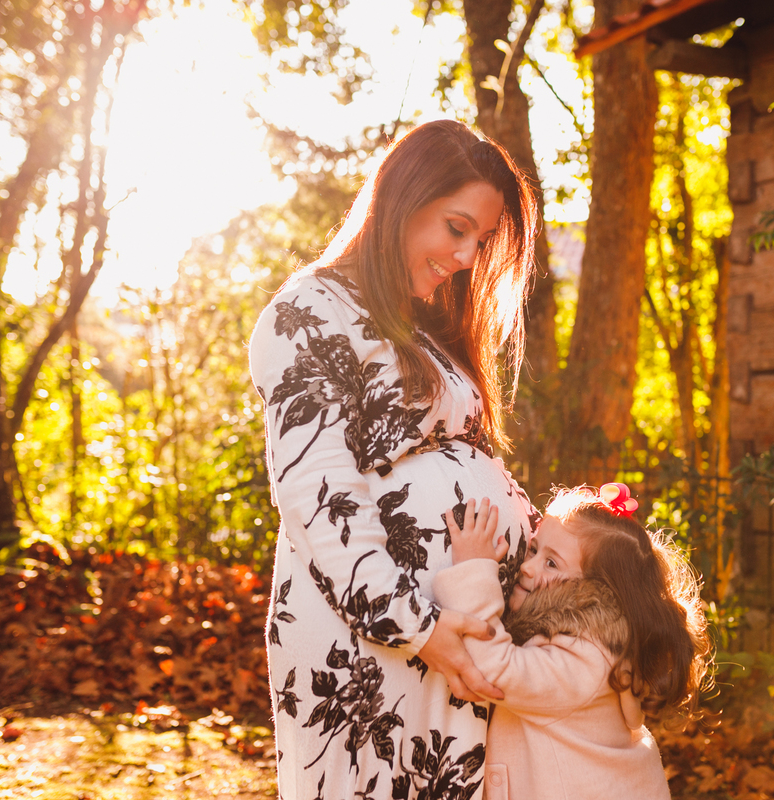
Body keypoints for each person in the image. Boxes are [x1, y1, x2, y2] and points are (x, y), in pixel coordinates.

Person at [248, 119, 542, 800]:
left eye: (482, 240)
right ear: (403, 198)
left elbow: (473, 462)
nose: (469, 255)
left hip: (458, 628)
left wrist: (567, 534)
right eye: (457, 227)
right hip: (374, 643)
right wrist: (423, 630)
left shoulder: (427, 329)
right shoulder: (309, 311)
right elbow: (318, 494)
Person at [434, 483, 712, 800]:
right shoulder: (587, 642)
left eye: (551, 563)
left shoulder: (585, 658)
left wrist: (473, 568)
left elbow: (496, 671)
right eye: (535, 550)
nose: (527, 567)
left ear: (593, 589)